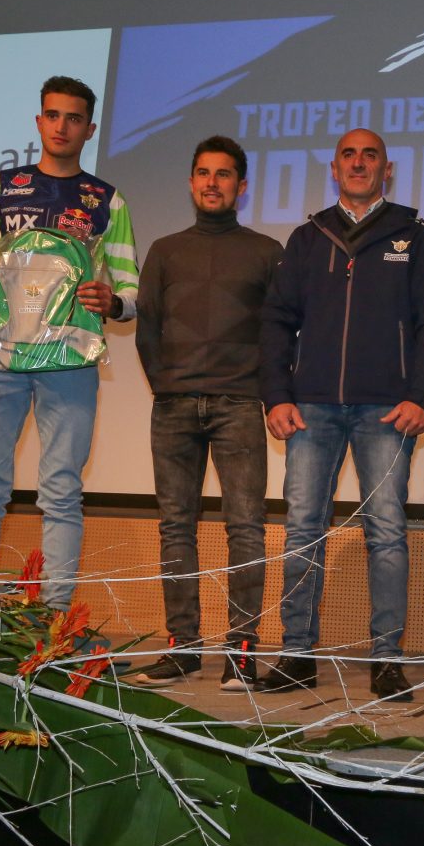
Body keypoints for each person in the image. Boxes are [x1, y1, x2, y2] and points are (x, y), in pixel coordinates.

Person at [258, 128, 424, 700]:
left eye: (371, 156)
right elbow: (275, 321)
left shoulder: (416, 239)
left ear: (386, 170)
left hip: (387, 409)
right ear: (334, 168)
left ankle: (387, 659)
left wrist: (421, 397)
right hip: (310, 408)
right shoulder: (306, 238)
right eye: (349, 155)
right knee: (302, 529)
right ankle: (297, 654)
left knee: (386, 532)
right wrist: (277, 395)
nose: (359, 163)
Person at [0, 75, 138, 613]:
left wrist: (114, 301)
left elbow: (131, 287)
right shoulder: (1, 188)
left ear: (89, 129)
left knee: (62, 492)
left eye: (74, 118)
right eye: (53, 115)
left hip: (69, 362)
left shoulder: (107, 200)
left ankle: (54, 623)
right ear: (39, 121)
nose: (61, 126)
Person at [132, 136, 281, 691]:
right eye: (203, 173)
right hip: (172, 405)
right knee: (176, 528)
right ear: (191, 182)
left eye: (223, 174)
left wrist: (260, 388)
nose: (212, 183)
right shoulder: (165, 250)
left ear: (241, 186)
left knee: (246, 529)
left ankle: (241, 652)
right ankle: (183, 649)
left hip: (239, 404)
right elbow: (147, 326)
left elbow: (280, 332)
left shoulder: (267, 252)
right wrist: (166, 384)